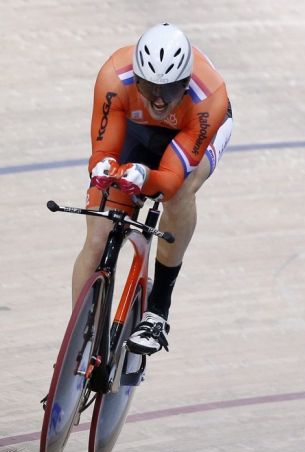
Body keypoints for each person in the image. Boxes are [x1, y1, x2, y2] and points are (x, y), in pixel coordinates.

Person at [75, 23, 232, 355]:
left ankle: (158, 309)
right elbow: (102, 153)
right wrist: (103, 168)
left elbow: (170, 179)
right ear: (136, 77)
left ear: (186, 82)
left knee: (180, 191)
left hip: (192, 133)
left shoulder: (209, 97)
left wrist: (144, 177)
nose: (159, 100)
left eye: (170, 90)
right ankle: (76, 344)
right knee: (98, 233)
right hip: (136, 129)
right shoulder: (114, 77)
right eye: (150, 88)